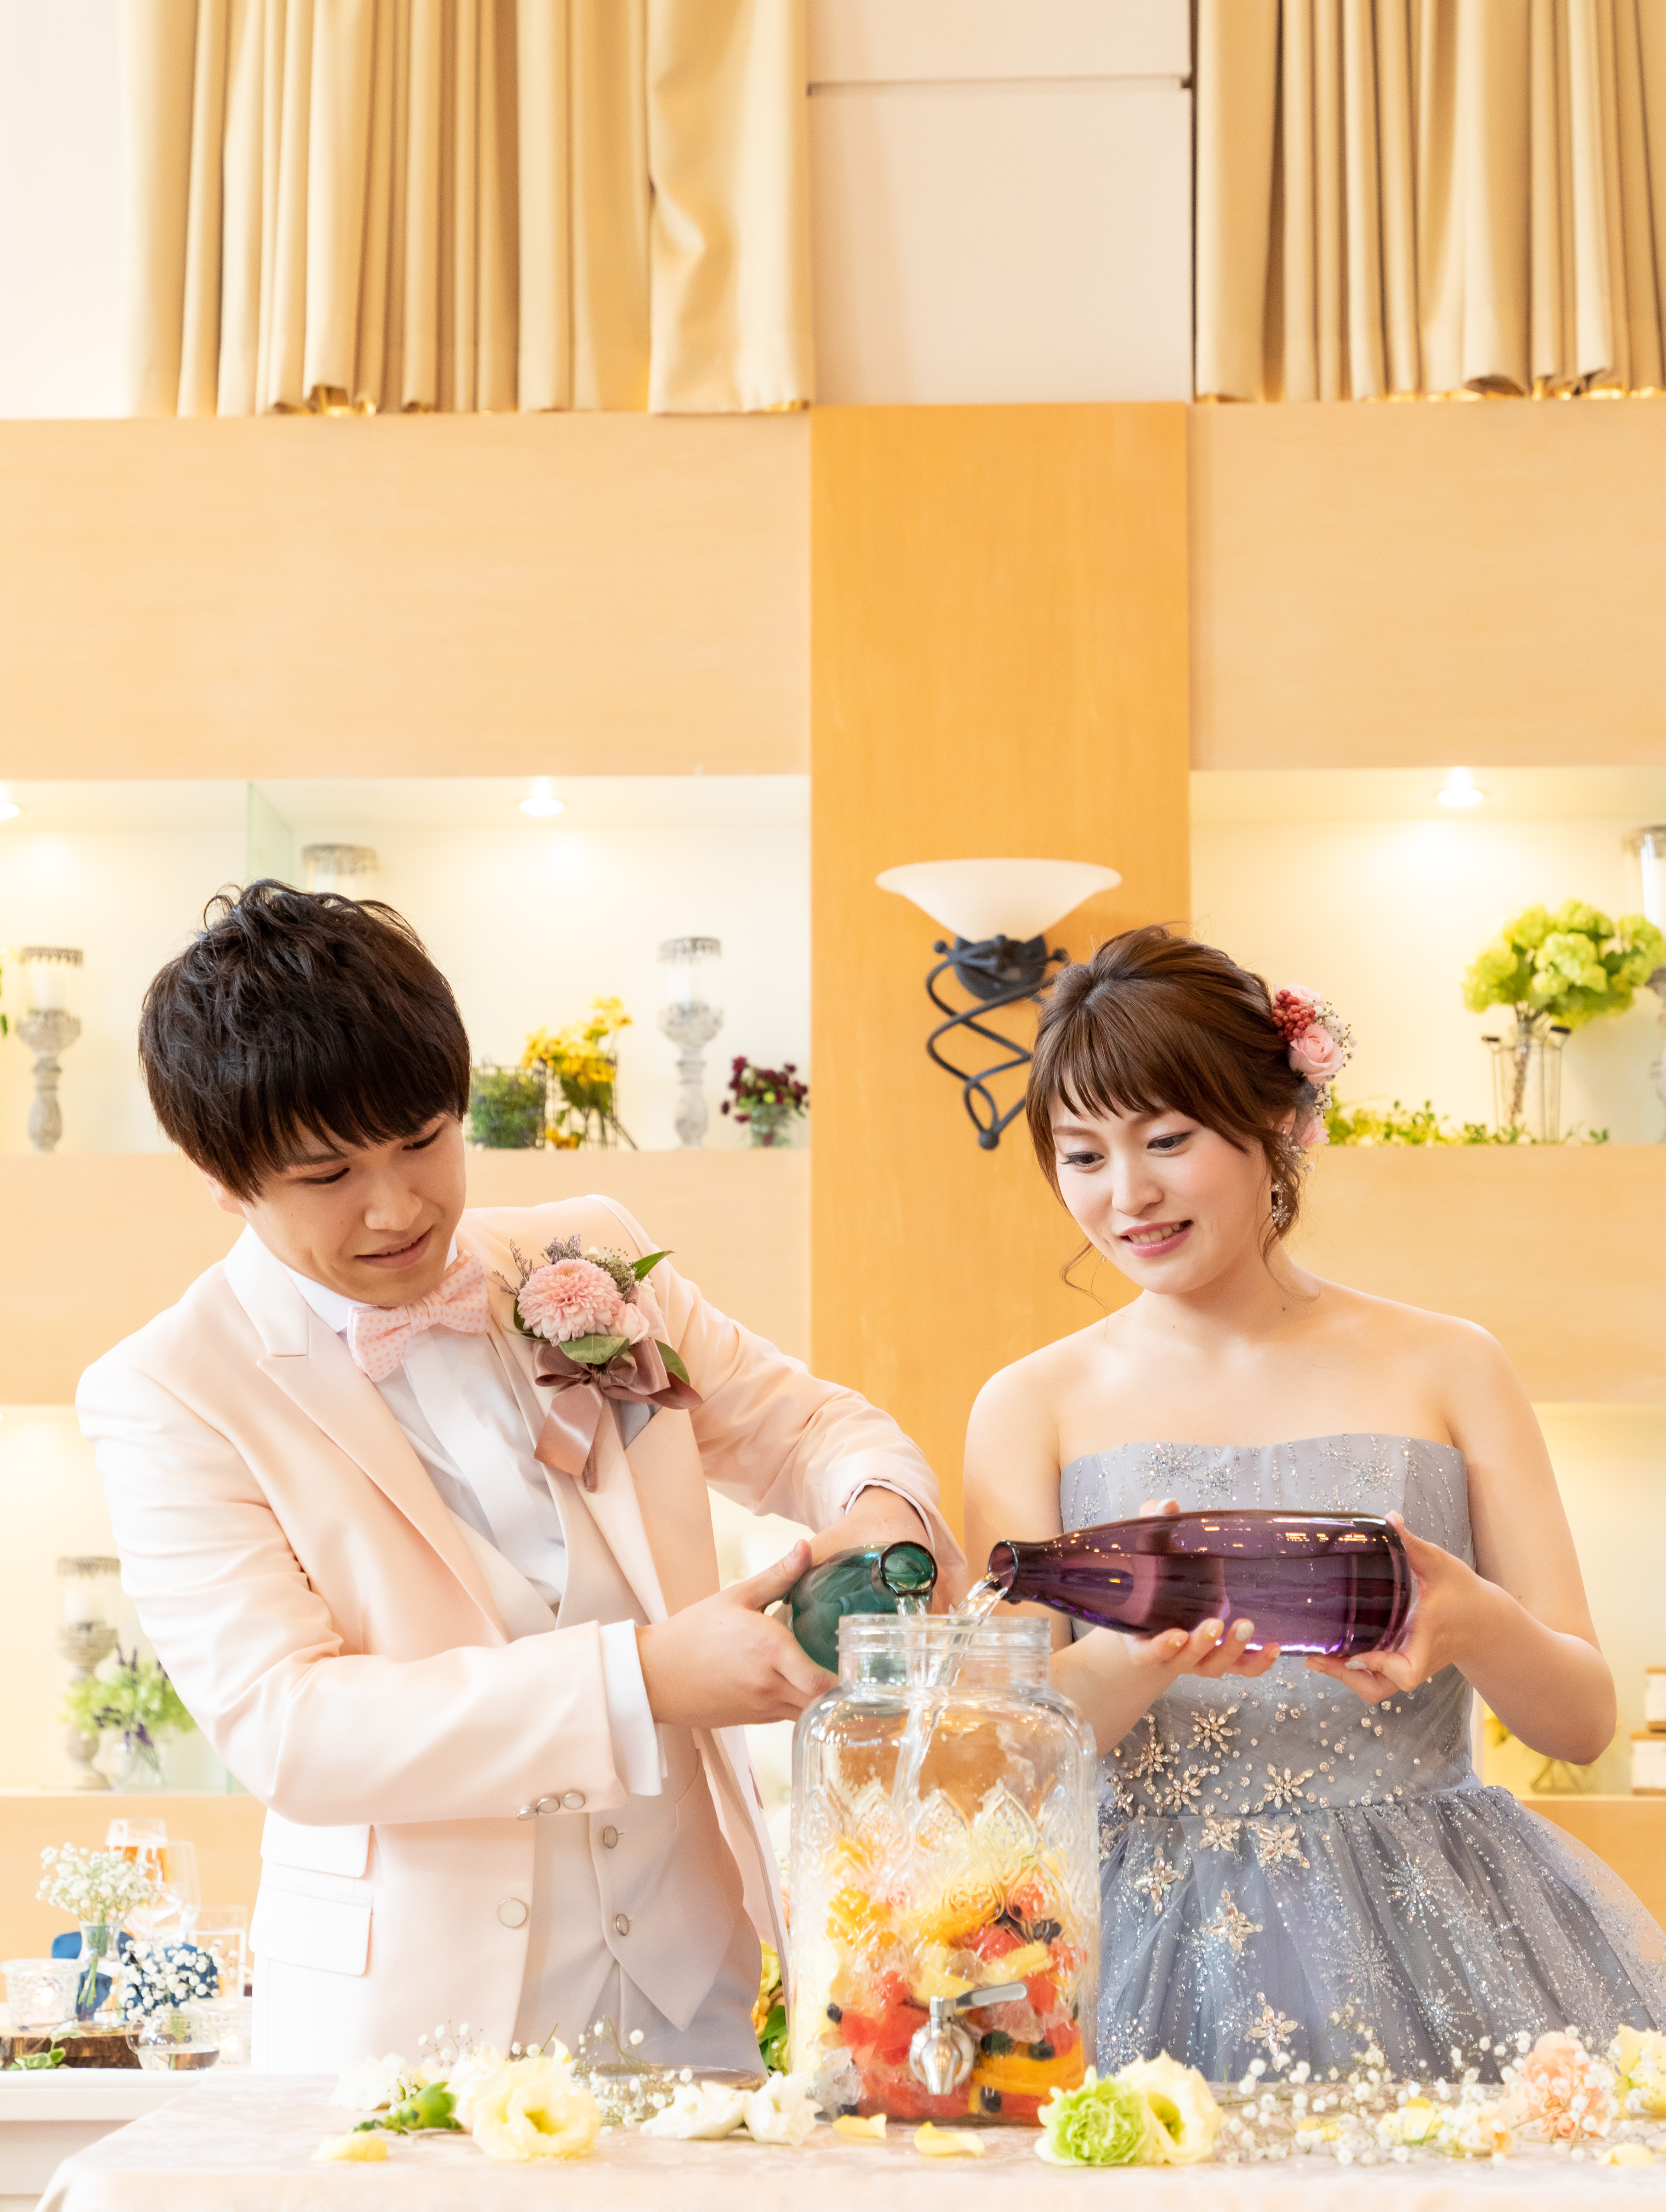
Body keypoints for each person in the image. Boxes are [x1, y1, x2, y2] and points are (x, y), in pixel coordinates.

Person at [79, 883, 959, 2073]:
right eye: (328, 1175)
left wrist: (882, 1517)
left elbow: (809, 1428)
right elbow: (294, 1731)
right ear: (221, 1174)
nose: (398, 1208)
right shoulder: (169, 1388)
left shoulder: (585, 1253)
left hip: (695, 1994)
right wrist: (645, 1679)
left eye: (424, 1140)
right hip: (408, 2036)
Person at [964, 924, 1666, 2081]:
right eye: (1082, 1156)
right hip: (1135, 1941)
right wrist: (1141, 1656)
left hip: (1436, 1924)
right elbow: (1014, 1758)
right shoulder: (1029, 1405)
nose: (1127, 1195)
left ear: (1280, 1116)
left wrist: (1472, 1619)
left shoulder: (1452, 1365)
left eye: (1168, 1139)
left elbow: (1583, 1722)